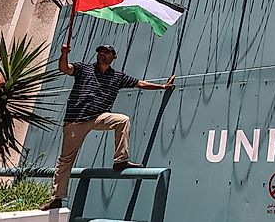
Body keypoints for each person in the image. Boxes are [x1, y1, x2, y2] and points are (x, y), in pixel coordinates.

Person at [39, 44, 175, 211]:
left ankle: (120, 161)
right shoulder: (84, 68)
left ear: (113, 57)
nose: (102, 55)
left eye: (107, 52)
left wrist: (162, 87)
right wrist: (64, 54)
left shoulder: (117, 77)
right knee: (66, 159)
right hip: (75, 120)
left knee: (122, 120)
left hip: (98, 117)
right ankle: (57, 198)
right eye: (100, 52)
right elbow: (64, 68)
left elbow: (139, 83)